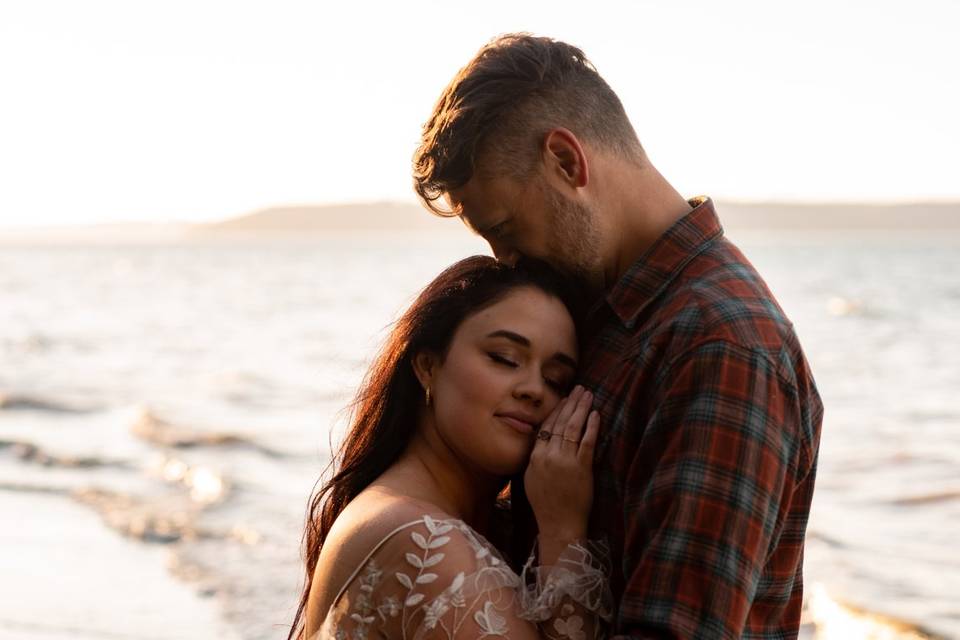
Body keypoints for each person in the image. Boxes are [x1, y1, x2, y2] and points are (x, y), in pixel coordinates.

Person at [412, 34, 824, 639]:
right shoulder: (597, 312)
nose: (504, 260)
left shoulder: (723, 345)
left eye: (504, 228)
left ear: (567, 162)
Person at [288, 256, 614, 640]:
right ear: (428, 366)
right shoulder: (420, 540)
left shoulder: (395, 510)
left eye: (557, 380)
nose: (534, 389)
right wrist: (563, 531)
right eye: (505, 359)